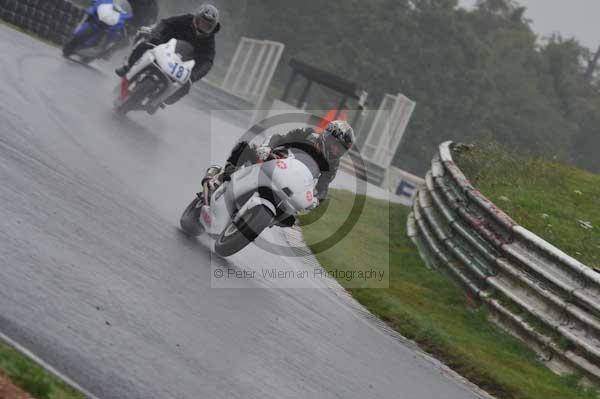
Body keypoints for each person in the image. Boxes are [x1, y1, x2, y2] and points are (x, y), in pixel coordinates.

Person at [201, 120, 356, 225]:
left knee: (290, 220)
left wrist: (316, 200)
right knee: (244, 148)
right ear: (327, 136)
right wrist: (267, 148)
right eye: (335, 145)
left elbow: (323, 187)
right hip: (274, 160)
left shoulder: (333, 164)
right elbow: (278, 138)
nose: (336, 150)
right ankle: (220, 177)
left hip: (293, 183)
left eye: (340, 149)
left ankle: (261, 221)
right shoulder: (307, 134)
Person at [115, 3, 220, 105]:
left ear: (212, 27)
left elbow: (208, 61)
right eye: (202, 22)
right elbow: (165, 22)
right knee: (145, 45)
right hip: (163, 45)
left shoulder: (209, 41)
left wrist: (194, 75)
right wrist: (156, 36)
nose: (204, 26)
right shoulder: (186, 19)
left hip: (181, 63)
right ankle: (128, 67)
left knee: (187, 85)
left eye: (207, 25)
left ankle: (164, 100)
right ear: (196, 18)